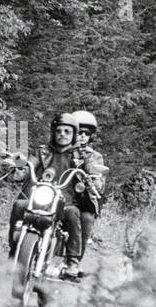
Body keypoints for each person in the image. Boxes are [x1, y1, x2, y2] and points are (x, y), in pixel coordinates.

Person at [8, 112, 103, 280]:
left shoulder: (82, 156)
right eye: (59, 131)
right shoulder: (42, 151)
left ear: (73, 134)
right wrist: (18, 165)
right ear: (53, 132)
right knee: (19, 205)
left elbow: (94, 172)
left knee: (73, 213)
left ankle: (72, 261)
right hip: (41, 198)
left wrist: (94, 179)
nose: (62, 135)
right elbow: (26, 168)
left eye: (67, 132)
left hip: (65, 201)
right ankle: (14, 250)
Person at [69, 109, 107, 261]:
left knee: (87, 219)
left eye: (86, 133)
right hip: (60, 195)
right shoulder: (64, 150)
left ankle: (74, 261)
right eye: (79, 132)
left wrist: (94, 182)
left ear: (91, 136)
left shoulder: (95, 156)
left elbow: (99, 182)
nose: (83, 136)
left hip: (82, 201)